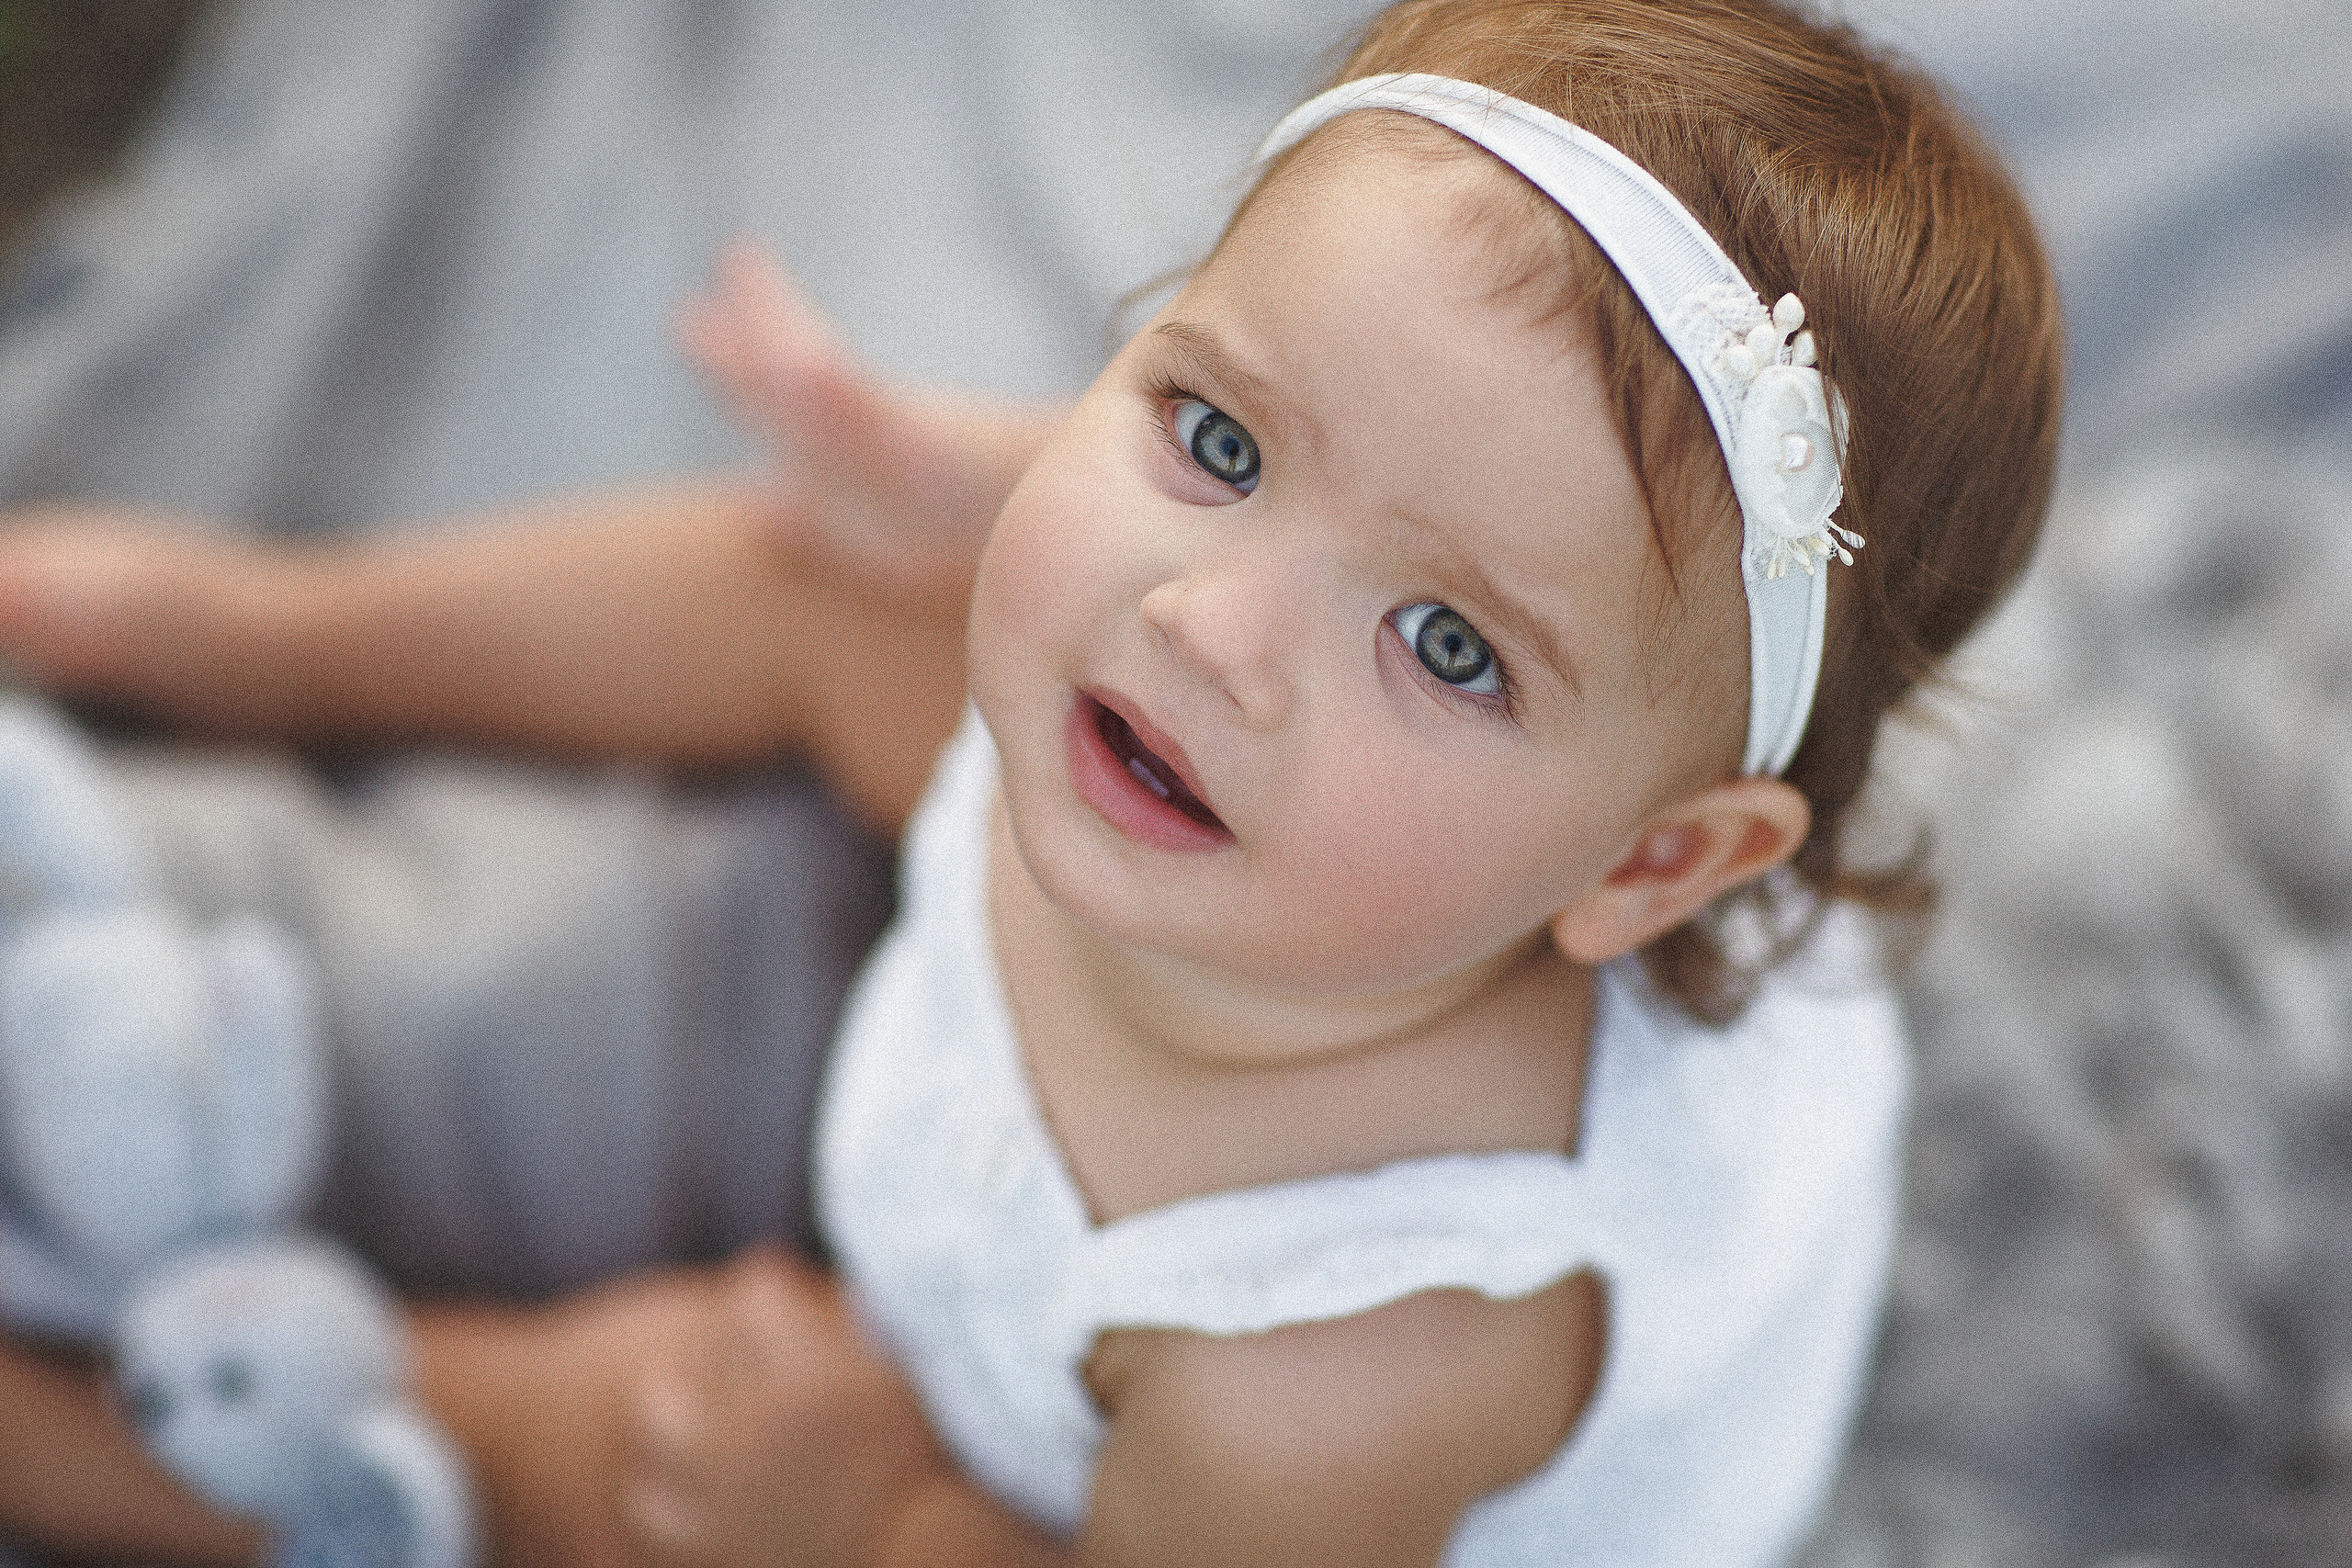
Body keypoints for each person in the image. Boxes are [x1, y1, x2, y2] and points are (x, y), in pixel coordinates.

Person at [0, 0, 2060, 1562]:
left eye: (1446, 646)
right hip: (1248, 947)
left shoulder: (1337, 1352)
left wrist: (868, 1508)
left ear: (1648, 857)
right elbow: (840, 577)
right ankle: (231, 683)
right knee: (847, 580)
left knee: (650, 1421)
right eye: (1215, 434)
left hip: (1069, 1465)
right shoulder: (1232, 703)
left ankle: (106, 1439)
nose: (1211, 629)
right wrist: (245, 633)